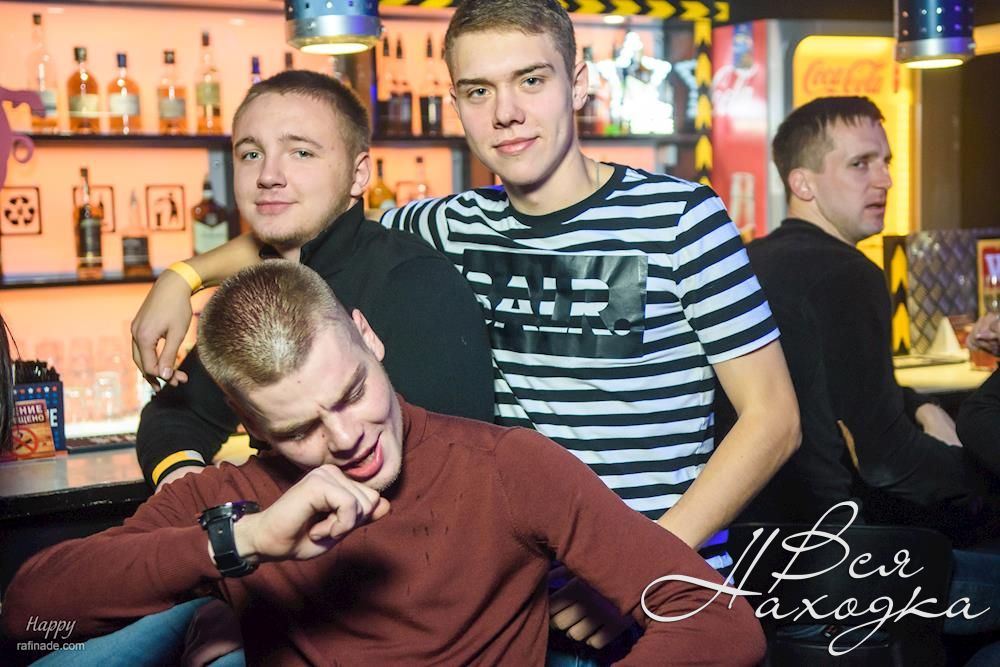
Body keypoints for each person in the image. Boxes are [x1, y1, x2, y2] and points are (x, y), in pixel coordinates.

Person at [129, 0, 800, 657]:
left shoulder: (680, 217)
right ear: (455, 105)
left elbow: (773, 420)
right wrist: (182, 277)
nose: (506, 112)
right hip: (520, 604)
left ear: (579, 84)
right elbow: (311, 223)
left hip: (663, 598)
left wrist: (635, 568)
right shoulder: (442, 224)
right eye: (479, 90)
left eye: (530, 80)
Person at [0, 261, 767, 667]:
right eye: (300, 427)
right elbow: (30, 615)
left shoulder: (506, 466)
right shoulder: (236, 499)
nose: (347, 436)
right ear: (252, 426)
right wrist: (245, 542)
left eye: (353, 391)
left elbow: (719, 620)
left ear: (368, 337)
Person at [713, 95, 1000, 641]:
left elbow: (828, 385)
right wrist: (982, 477)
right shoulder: (847, 274)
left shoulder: (749, 261)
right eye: (860, 164)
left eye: (885, 162)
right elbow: (888, 463)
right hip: (842, 567)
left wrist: (921, 405)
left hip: (751, 558)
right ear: (803, 184)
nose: (885, 180)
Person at [133, 70, 494, 491]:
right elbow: (176, 415)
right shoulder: (267, 287)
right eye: (251, 154)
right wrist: (185, 483)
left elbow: (451, 472)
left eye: (301, 153)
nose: (268, 175)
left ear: (359, 175)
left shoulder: (415, 285)